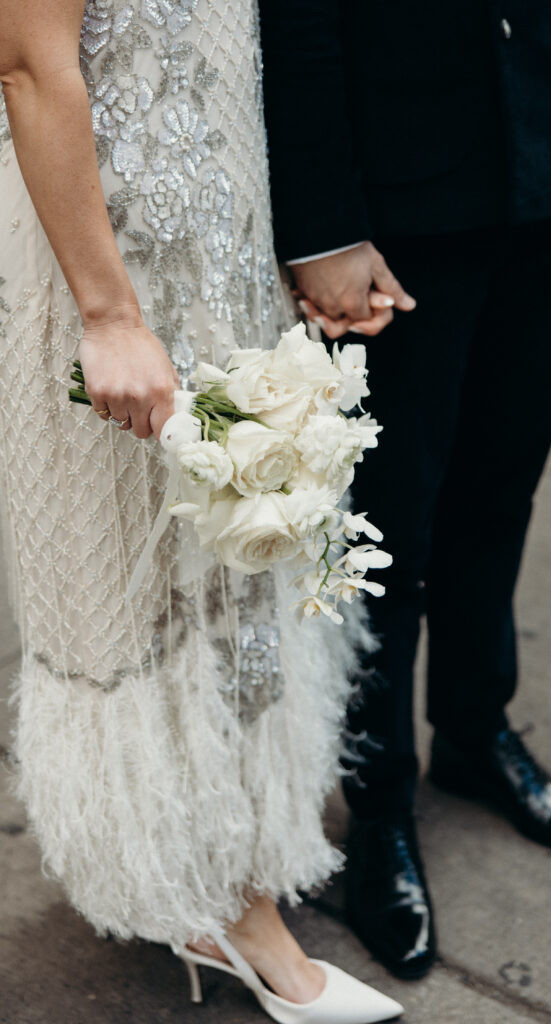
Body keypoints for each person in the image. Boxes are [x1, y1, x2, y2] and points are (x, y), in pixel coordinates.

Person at [259, 0, 551, 980]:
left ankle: (472, 727)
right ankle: (377, 807)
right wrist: (322, 225)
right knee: (384, 524)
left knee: (501, 483)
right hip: (399, 192)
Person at [0, 2, 405, 1021]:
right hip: (114, 271)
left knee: (236, 567)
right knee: (136, 580)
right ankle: (223, 903)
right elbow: (30, 69)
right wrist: (107, 314)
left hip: (224, 255)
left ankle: (221, 882)